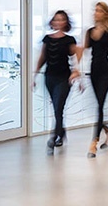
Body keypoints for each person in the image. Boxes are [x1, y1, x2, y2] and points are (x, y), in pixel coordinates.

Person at [33, 10, 81, 154]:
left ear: (66, 22)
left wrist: (77, 72)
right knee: (56, 108)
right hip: (50, 77)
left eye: (61, 19)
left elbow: (76, 57)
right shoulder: (47, 39)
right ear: (52, 22)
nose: (58, 22)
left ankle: (53, 138)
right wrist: (34, 75)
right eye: (56, 19)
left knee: (58, 106)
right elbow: (42, 57)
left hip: (64, 78)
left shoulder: (69, 40)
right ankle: (62, 133)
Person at [83, 1, 108, 158]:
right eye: (95, 10)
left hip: (105, 72)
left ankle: (94, 143)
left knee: (100, 106)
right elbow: (83, 49)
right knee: (100, 105)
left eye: (99, 10)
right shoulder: (89, 32)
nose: (95, 13)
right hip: (94, 71)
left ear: (105, 13)